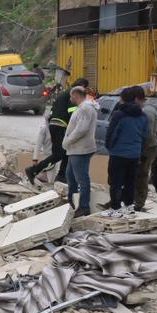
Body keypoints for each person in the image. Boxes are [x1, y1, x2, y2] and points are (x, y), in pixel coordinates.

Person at [25, 77, 86, 186]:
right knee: (59, 154)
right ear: (81, 87)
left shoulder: (64, 94)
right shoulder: (72, 95)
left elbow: (51, 113)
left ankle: (61, 175)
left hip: (55, 125)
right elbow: (72, 114)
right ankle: (34, 170)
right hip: (60, 126)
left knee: (65, 152)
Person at [104, 85, 149, 214]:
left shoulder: (119, 114)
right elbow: (145, 136)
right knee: (130, 181)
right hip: (134, 154)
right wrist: (139, 151)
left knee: (115, 182)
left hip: (118, 153)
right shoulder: (143, 116)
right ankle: (129, 206)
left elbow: (112, 133)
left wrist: (109, 146)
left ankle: (115, 207)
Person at [62, 86, 98, 217]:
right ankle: (71, 203)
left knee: (81, 179)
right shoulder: (82, 108)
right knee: (70, 177)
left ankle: (83, 206)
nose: (70, 99)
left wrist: (68, 141)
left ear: (75, 96)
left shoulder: (85, 108)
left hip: (81, 149)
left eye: (71, 96)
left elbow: (81, 129)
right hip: (75, 149)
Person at [133, 90, 157, 211]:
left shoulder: (147, 112)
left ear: (137, 99)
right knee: (139, 175)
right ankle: (137, 200)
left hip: (147, 148)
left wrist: (141, 153)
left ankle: (139, 202)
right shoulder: (148, 109)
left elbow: (147, 135)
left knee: (141, 175)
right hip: (148, 146)